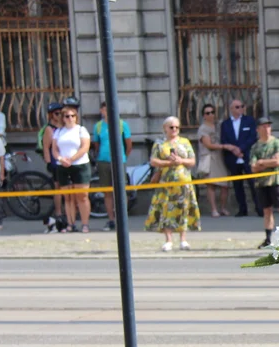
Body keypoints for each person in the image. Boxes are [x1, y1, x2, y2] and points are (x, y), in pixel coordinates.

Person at [145, 116, 199, 251]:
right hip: (166, 183)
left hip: (184, 183)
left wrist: (181, 161)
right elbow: (153, 161)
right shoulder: (159, 144)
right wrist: (169, 163)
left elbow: (192, 161)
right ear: (165, 129)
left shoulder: (185, 142)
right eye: (171, 127)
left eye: (176, 127)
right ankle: (168, 240)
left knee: (184, 209)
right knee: (166, 210)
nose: (174, 129)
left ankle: (183, 240)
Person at [91, 101, 133, 231]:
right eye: (104, 110)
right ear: (101, 111)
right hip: (103, 161)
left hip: (119, 161)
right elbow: (96, 144)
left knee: (121, 190)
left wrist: (123, 156)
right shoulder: (98, 126)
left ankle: (123, 218)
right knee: (107, 192)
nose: (107, 112)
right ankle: (111, 219)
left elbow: (128, 143)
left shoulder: (122, 124)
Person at [52, 105, 93, 234]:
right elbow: (54, 149)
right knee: (68, 197)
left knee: (82, 196)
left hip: (80, 165)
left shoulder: (81, 130)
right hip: (63, 166)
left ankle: (85, 224)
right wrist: (60, 159)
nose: (70, 118)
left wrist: (72, 159)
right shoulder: (59, 132)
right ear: (63, 118)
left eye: (72, 116)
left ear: (76, 117)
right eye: (67, 116)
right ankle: (71, 223)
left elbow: (85, 147)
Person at [250, 117, 279, 248]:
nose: (267, 129)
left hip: (276, 180)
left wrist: (262, 162)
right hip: (261, 183)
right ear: (258, 129)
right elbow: (253, 167)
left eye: (268, 126)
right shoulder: (255, 146)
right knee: (267, 211)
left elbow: (278, 162)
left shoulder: (277, 143)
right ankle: (268, 239)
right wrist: (268, 162)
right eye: (264, 126)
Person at [220, 100, 259, 217]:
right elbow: (224, 140)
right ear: (231, 109)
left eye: (242, 106)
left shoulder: (249, 121)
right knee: (237, 186)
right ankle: (242, 209)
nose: (240, 108)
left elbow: (252, 137)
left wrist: (240, 149)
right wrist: (234, 150)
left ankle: (259, 208)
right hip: (233, 158)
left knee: (253, 184)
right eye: (237, 107)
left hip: (247, 156)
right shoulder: (225, 124)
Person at [196, 104, 231, 217]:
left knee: (225, 185)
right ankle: (214, 209)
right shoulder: (203, 128)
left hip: (220, 157)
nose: (211, 115)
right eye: (207, 113)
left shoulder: (218, 125)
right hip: (209, 158)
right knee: (211, 185)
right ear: (203, 116)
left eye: (212, 112)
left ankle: (223, 208)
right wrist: (225, 146)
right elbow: (208, 145)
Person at [39, 103, 65, 224]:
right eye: (56, 113)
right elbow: (46, 147)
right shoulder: (49, 129)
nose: (59, 115)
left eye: (61, 112)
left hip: (66, 160)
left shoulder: (65, 126)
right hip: (55, 162)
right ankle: (58, 212)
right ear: (51, 115)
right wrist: (49, 162)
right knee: (58, 188)